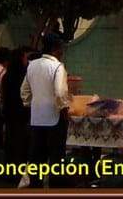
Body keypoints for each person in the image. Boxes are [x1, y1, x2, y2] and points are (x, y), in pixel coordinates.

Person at [21, 33, 71, 188]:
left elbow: (24, 91)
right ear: (56, 49)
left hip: (37, 118)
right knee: (56, 156)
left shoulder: (32, 65)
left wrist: (33, 104)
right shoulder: (57, 67)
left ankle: (35, 186)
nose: (62, 52)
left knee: (36, 155)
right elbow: (60, 92)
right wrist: (64, 109)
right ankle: (56, 187)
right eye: (61, 48)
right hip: (54, 117)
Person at [1, 46, 32, 167]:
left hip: (9, 111)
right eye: (25, 58)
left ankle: (10, 166)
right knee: (22, 140)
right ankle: (20, 167)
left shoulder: (6, 76)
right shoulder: (24, 76)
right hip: (21, 111)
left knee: (10, 139)